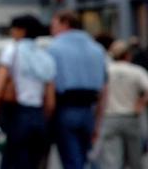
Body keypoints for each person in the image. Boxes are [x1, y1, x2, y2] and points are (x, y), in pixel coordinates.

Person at [0, 15, 56, 169]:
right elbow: (50, 102)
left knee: (12, 161)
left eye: (14, 29)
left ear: (21, 31)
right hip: (38, 115)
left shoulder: (12, 51)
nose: (12, 33)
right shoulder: (46, 56)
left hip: (17, 115)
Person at [47, 10, 107, 169]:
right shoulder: (97, 49)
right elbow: (104, 89)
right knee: (85, 157)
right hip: (89, 110)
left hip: (65, 108)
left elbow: (50, 85)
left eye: (54, 25)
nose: (51, 30)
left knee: (71, 161)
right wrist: (98, 121)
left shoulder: (54, 48)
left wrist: (48, 115)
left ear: (65, 24)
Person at [97, 40, 148, 169]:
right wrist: (140, 105)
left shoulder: (106, 70)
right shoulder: (136, 71)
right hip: (131, 116)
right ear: (128, 55)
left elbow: (99, 93)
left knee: (112, 160)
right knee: (135, 159)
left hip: (109, 117)